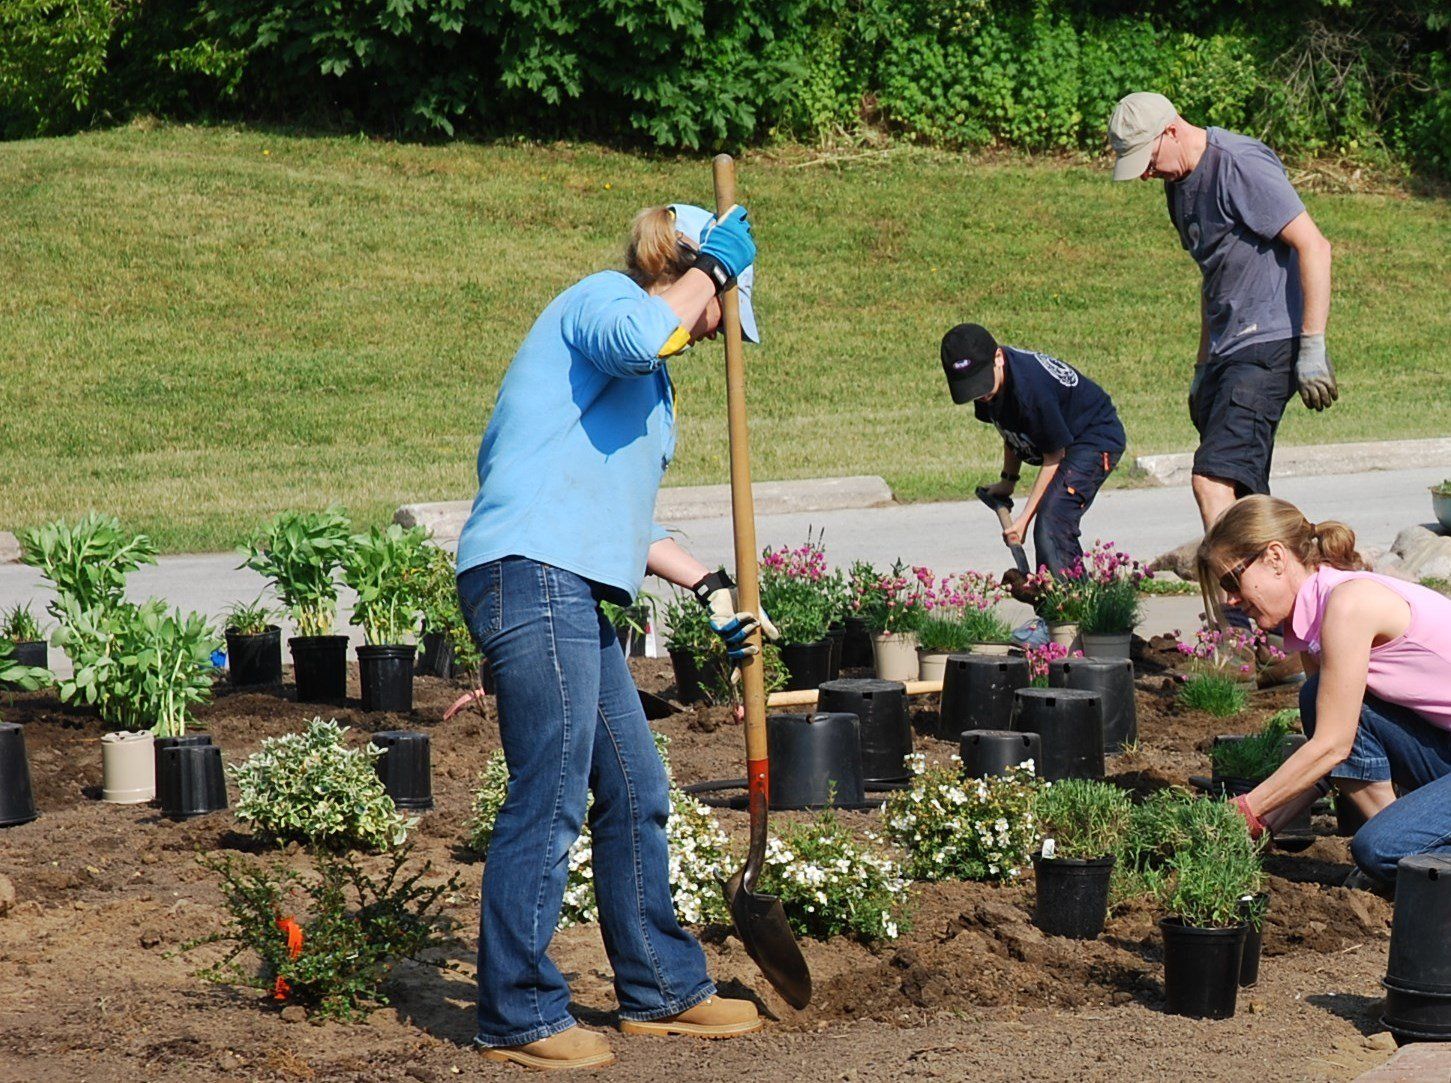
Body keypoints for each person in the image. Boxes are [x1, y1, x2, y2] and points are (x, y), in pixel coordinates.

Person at [455, 202, 772, 1069]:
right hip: (526, 571)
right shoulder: (601, 302)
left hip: (570, 581)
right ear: (691, 267)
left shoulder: (648, 372)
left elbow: (615, 512)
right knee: (550, 794)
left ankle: (661, 990)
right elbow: (646, 334)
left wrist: (708, 584)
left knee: (636, 788)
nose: (718, 335)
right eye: (724, 313)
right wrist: (713, 267)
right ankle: (516, 1014)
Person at [1107, 92, 1339, 537]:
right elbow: (1212, 278)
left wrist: (1312, 346)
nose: (1146, 175)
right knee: (1248, 503)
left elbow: (1315, 246)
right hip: (1227, 352)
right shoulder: (1177, 188)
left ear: (1172, 130)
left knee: (1211, 482)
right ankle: (1288, 591)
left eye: (1148, 160)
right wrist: (1201, 368)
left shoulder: (1238, 162)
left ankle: (1234, 602)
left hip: (1268, 345)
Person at [1199, 495, 1451, 889]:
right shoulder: (1317, 617)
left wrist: (1246, 811)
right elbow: (1336, 749)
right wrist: (1264, 826)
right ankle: (1412, 858)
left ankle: (1408, 860)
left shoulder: (1349, 606)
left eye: (1233, 580)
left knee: (1379, 850)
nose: (1230, 599)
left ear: (1276, 557)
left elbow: (1333, 746)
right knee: (1316, 697)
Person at [940, 322, 1126, 576]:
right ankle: (1060, 605)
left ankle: (1071, 606)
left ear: (998, 358)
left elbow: (1054, 456)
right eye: (971, 387)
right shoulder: (989, 386)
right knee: (1050, 520)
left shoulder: (1031, 390)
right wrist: (1007, 482)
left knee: (1051, 522)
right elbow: (1009, 432)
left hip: (1093, 437)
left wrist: (1023, 520)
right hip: (1063, 439)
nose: (980, 393)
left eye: (981, 383)